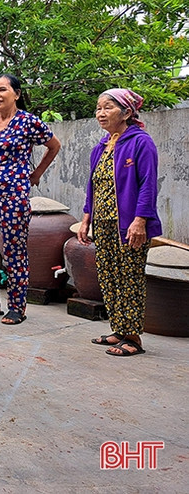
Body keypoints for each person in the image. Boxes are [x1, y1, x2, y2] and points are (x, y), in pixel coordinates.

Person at [0, 74, 61, 325]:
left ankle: (17, 307)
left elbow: (54, 145)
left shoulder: (28, 122)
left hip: (14, 192)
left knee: (14, 249)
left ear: (17, 94)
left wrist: (37, 173)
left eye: (2, 90)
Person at [77, 88, 161, 357]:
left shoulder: (141, 143)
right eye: (98, 108)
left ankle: (133, 337)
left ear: (126, 112)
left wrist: (140, 220)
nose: (101, 113)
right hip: (103, 223)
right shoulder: (100, 148)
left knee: (130, 278)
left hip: (129, 224)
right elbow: (92, 186)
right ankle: (119, 329)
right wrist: (86, 218)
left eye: (108, 107)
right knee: (109, 275)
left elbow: (148, 184)